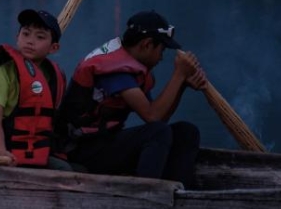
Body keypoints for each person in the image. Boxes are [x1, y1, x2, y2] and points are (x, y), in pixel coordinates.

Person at [56, 10, 207, 188]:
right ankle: (147, 195)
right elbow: (153, 117)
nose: (161, 57)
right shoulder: (115, 71)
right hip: (82, 149)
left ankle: (182, 195)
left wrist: (181, 85)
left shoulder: (133, 68)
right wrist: (179, 75)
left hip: (105, 143)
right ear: (147, 45)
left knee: (186, 132)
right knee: (158, 132)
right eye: (162, 49)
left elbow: (160, 118)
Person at [0, 9, 66, 168]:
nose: (30, 41)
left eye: (40, 37)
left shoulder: (54, 76)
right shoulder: (2, 73)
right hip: (2, 150)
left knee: (69, 170)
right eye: (26, 34)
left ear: (54, 48)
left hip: (36, 150)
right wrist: (2, 152)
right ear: (17, 38)